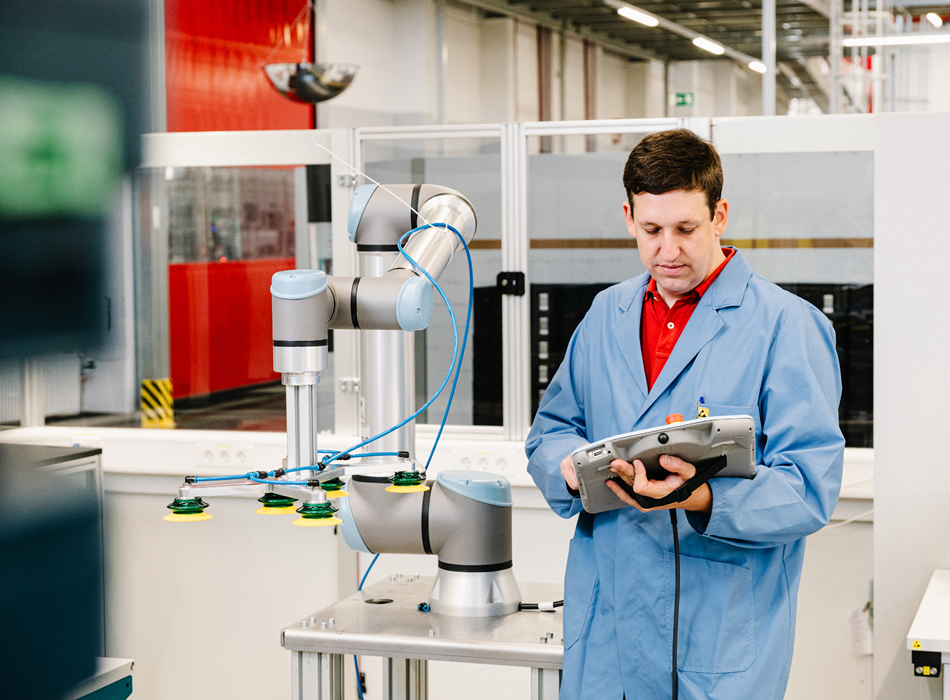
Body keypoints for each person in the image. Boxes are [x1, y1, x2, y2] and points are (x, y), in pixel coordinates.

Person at [525, 128, 845, 700]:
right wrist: (571, 468)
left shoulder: (785, 326)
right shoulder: (606, 314)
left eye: (685, 229)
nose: (667, 251)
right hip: (610, 623)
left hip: (717, 628)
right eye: (651, 231)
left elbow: (809, 488)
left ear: (719, 215)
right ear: (628, 217)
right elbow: (552, 430)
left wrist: (696, 495)